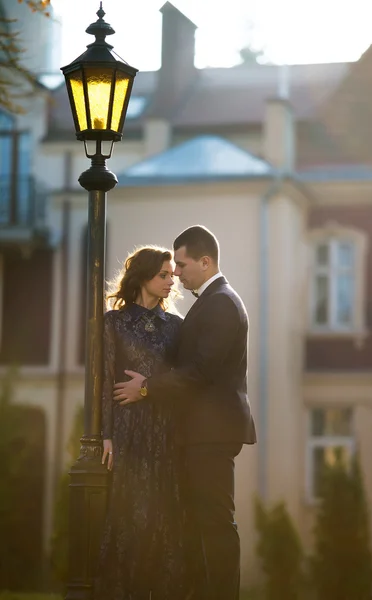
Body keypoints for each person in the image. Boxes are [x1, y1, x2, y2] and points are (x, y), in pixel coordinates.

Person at [114, 225, 257, 600]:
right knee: (201, 523)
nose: (176, 272)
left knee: (215, 524)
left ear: (205, 261)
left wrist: (146, 386)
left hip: (211, 433)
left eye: (181, 264)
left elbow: (201, 371)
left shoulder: (222, 303)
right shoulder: (212, 301)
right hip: (201, 432)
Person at [95, 246, 189, 600]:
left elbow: (183, 382)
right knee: (128, 515)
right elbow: (104, 380)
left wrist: (148, 391)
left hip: (165, 431)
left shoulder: (177, 327)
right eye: (163, 274)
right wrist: (105, 436)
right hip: (126, 430)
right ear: (144, 276)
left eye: (171, 275)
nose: (171, 280)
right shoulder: (113, 323)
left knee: (164, 516)